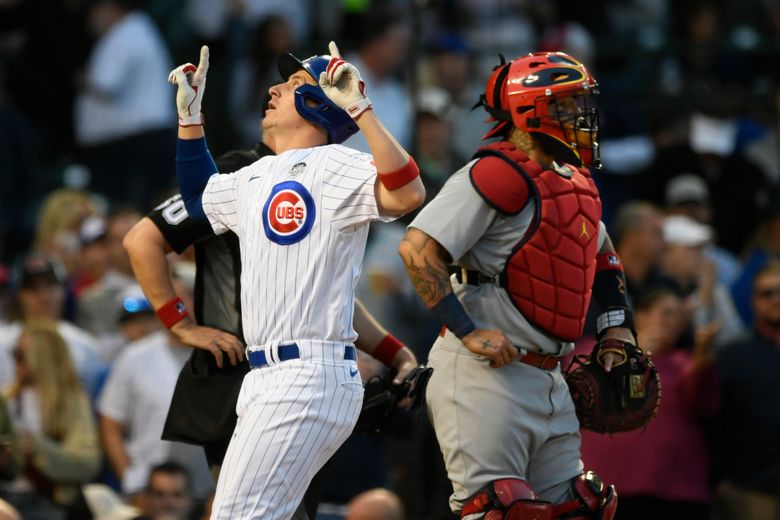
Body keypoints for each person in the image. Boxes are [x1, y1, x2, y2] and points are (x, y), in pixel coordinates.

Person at [166, 41, 425, 518]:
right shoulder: (256, 174)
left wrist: (361, 110)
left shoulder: (336, 164)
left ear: (317, 102)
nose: (275, 88)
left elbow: (407, 190)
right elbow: (202, 202)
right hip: (269, 377)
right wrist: (190, 120)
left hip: (307, 371)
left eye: (294, 83)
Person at [399, 51, 629, 517]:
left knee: (581, 510)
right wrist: (468, 330)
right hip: (484, 377)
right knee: (499, 512)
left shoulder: (574, 181)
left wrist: (616, 328)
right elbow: (418, 250)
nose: (581, 116)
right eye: (567, 106)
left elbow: (603, 258)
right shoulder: (496, 173)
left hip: (551, 378)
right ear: (530, 111)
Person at [580, 288, 719, 520]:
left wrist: (703, 357)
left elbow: (702, 403)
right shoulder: (594, 350)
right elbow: (580, 386)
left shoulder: (684, 363)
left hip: (672, 492)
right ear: (640, 316)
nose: (673, 321)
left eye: (679, 317)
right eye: (666, 313)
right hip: (602, 488)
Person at [0, 320, 101, 520]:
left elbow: (87, 463)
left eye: (21, 356)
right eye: (14, 354)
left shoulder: (72, 403)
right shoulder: (6, 398)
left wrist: (36, 447)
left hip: (47, 500)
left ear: (43, 357)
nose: (15, 361)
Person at [713, 260, 780, 519]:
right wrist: (719, 480)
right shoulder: (733, 356)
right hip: (749, 489)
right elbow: (713, 418)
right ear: (753, 301)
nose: (776, 299)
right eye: (767, 293)